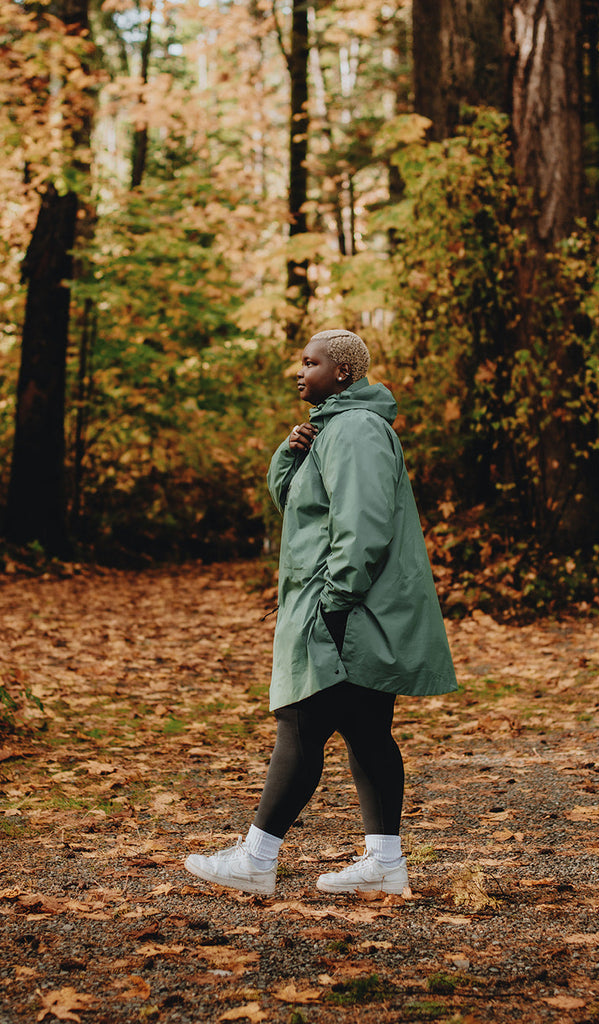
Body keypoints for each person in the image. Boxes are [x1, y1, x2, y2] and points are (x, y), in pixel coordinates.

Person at [185, 329, 457, 896]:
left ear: (342, 374)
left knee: (301, 722)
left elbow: (363, 524)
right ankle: (386, 865)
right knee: (365, 730)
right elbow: (295, 505)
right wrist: (291, 452)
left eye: (310, 362)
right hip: (349, 603)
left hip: (345, 604)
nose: (298, 371)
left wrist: (336, 600)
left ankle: (257, 859)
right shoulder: (333, 429)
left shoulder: (355, 429)